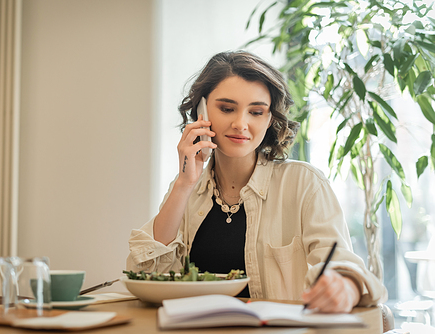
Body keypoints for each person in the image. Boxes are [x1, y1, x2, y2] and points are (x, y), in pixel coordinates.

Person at [127, 51, 387, 313]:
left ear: (269, 119)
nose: (241, 123)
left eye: (256, 111)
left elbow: (346, 267)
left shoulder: (304, 183)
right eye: (227, 108)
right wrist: (183, 185)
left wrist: (345, 287)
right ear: (202, 112)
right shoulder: (185, 188)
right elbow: (146, 274)